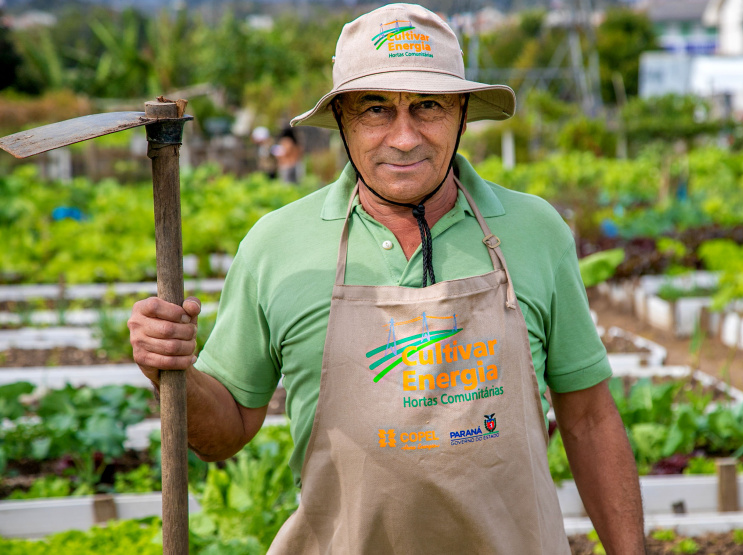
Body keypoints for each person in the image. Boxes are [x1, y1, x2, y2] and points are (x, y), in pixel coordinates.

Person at [127, 3, 644, 553]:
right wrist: (170, 371)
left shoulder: (534, 231)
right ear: (342, 121)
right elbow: (224, 430)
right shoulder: (278, 246)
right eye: (375, 110)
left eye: (428, 106)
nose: (403, 137)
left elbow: (588, 420)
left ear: (463, 114)